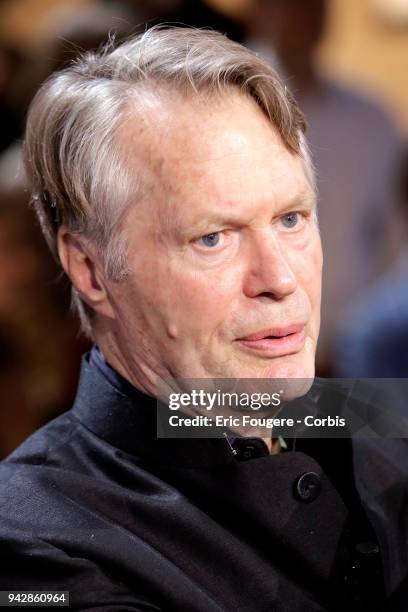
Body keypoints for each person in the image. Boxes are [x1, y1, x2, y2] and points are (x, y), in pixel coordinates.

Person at [0, 27, 406, 611]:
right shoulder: (34, 545)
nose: (280, 277)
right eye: (212, 237)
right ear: (90, 270)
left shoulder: (368, 411)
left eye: (291, 219)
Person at [246, 0, 403, 372]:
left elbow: (392, 238)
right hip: (254, 351)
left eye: (315, 6)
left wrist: (363, 331)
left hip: (358, 352)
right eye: (290, 6)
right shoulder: (228, 114)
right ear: (260, 12)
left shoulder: (370, 120)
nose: (304, 17)